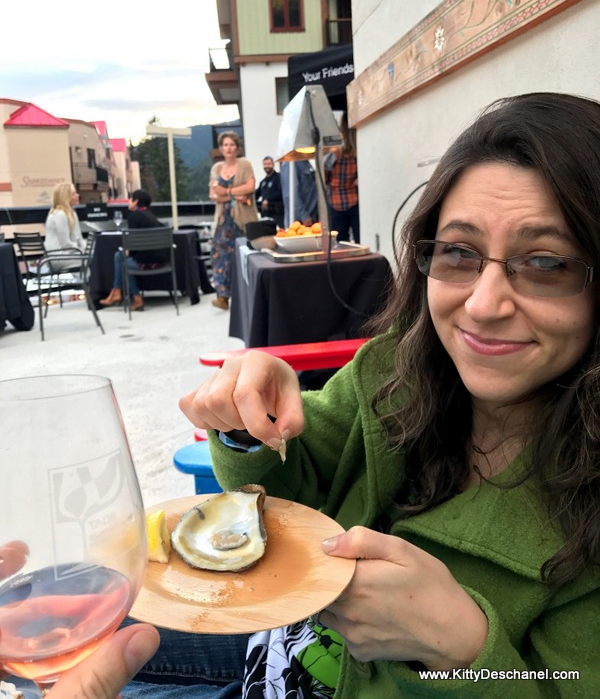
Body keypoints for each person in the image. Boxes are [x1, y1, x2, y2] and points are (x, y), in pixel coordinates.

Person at [28, 92, 600, 698]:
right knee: (60, 617)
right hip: (277, 650)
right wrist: (248, 422)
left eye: (545, 263)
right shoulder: (395, 372)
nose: (483, 305)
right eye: (459, 252)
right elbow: (289, 488)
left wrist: (461, 651)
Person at [209, 131, 258, 311]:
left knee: (244, 254)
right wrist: (236, 195)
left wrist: (227, 192)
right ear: (221, 148)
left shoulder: (244, 164)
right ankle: (222, 296)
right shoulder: (217, 168)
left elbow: (250, 187)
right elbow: (213, 194)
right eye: (225, 145)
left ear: (237, 147)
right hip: (223, 219)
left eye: (231, 144)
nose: (228, 148)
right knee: (219, 256)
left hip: (242, 219)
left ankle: (247, 293)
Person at [100, 189, 166, 312]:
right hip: (161, 260)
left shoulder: (134, 216)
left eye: (131, 199)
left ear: (136, 201)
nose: (129, 202)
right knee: (120, 256)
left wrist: (129, 251)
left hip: (146, 263)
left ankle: (127, 294)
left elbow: (134, 242)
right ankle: (119, 292)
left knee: (122, 260)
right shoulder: (151, 216)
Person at [325, 112, 360, 243]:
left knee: (340, 244)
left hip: (336, 202)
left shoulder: (334, 153)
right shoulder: (357, 151)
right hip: (355, 200)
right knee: (361, 241)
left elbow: (325, 179)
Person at [44, 182, 85, 268]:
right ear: (66, 197)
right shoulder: (59, 215)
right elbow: (65, 244)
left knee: (94, 255)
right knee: (92, 259)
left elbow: (79, 238)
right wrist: (82, 250)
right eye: (74, 194)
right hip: (57, 257)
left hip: (68, 253)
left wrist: (88, 249)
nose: (78, 195)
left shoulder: (72, 214)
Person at [279, 159, 318, 227]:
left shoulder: (305, 162)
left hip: (312, 217)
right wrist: (304, 215)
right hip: (300, 222)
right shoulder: (290, 164)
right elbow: (291, 194)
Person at [255, 156, 284, 229]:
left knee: (280, 232)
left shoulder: (279, 178)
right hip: (266, 215)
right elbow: (256, 194)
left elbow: (281, 192)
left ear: (273, 164)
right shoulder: (263, 182)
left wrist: (268, 200)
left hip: (278, 213)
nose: (267, 166)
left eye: (269, 164)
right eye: (265, 164)